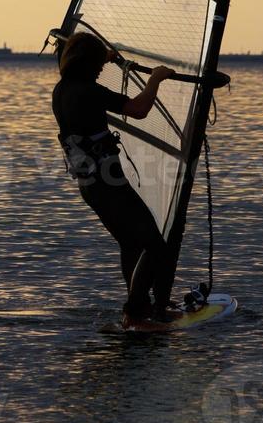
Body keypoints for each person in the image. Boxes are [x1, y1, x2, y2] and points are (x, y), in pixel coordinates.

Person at [52, 31, 175, 327]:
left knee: (131, 243)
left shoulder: (62, 89)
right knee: (156, 246)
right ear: (87, 64)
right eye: (99, 65)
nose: (102, 69)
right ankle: (138, 311)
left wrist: (103, 54)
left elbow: (75, 60)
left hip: (91, 186)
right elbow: (139, 109)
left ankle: (140, 308)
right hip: (109, 185)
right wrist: (156, 78)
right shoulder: (89, 91)